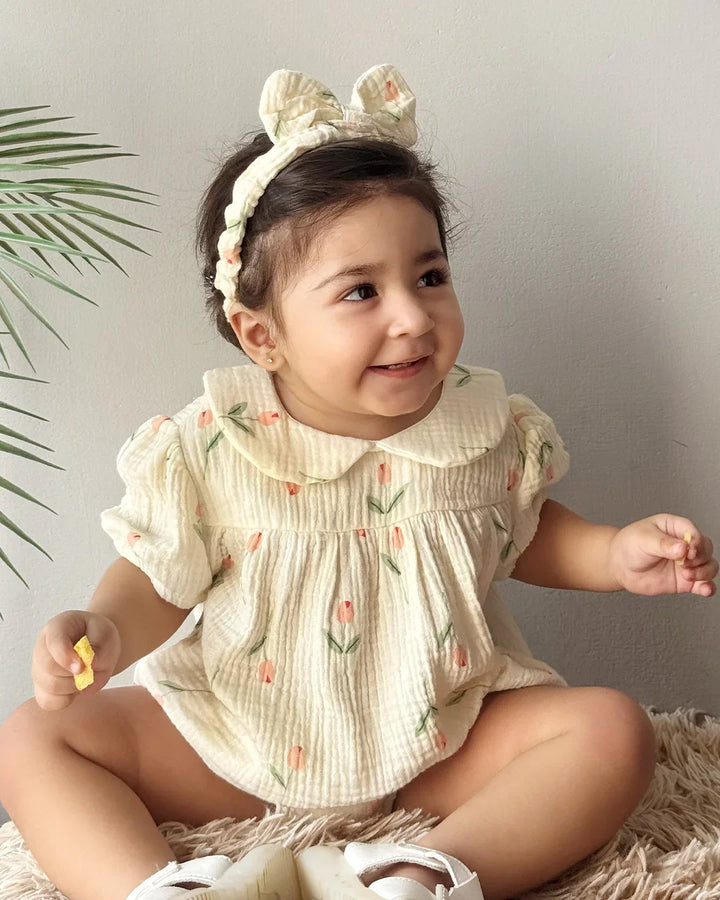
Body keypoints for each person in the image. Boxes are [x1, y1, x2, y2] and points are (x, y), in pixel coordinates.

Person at [0, 64, 716, 900]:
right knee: (36, 739)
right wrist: (105, 630)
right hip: (236, 741)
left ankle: (424, 872)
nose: (411, 315)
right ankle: (156, 890)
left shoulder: (482, 427)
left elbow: (523, 532)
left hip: (441, 740)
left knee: (614, 731)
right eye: (361, 292)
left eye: (430, 276)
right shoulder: (214, 448)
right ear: (261, 335)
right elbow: (160, 577)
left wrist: (614, 553)